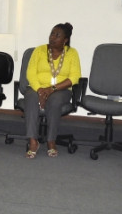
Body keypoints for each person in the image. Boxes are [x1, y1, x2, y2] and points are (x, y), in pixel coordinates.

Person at [23, 23, 81, 159]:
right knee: (30, 98)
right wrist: (40, 90)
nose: (52, 37)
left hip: (61, 90)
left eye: (57, 35)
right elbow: (30, 73)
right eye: (52, 34)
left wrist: (51, 89)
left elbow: (74, 77)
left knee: (55, 101)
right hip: (37, 87)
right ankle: (33, 141)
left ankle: (51, 140)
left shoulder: (72, 53)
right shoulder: (39, 50)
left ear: (65, 40)